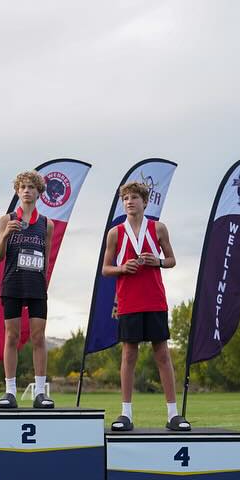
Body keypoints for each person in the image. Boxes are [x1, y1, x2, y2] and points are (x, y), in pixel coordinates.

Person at [101, 181, 187, 432]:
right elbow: (106, 269)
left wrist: (157, 261)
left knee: (162, 354)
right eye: (126, 198)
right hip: (128, 300)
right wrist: (122, 268)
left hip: (155, 298)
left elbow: (171, 260)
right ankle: (125, 414)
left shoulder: (158, 228)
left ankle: (173, 414)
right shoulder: (115, 233)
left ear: (145, 202)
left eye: (134, 198)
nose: (129, 202)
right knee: (129, 354)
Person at [0, 171, 54, 409]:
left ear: (39, 192)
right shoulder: (6, 219)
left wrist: (43, 283)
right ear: (17, 192)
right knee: (12, 336)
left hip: (36, 285)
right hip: (13, 283)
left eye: (31, 187)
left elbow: (46, 258)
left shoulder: (46, 224)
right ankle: (10, 391)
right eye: (23, 187)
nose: (27, 191)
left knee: (38, 337)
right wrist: (5, 234)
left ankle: (40, 393)